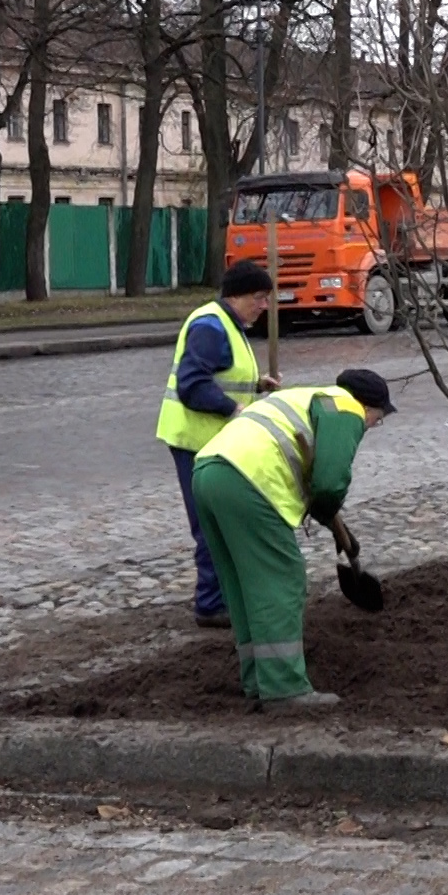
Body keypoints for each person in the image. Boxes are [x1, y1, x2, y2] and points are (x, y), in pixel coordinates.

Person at [190, 369, 395, 710]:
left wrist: (337, 529)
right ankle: (284, 688)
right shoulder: (345, 408)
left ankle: (258, 680)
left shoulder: (304, 397)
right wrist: (327, 510)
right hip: (249, 481)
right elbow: (328, 484)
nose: (373, 425)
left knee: (245, 584)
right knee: (281, 579)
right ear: (368, 407)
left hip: (210, 473)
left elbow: (314, 479)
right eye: (378, 418)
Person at [154, 260, 282, 628]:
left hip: (216, 443)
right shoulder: (210, 326)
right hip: (196, 442)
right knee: (211, 522)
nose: (264, 306)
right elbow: (193, 385)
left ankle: (221, 597)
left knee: (222, 519)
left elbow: (222, 375)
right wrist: (234, 408)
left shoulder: (228, 323)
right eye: (259, 298)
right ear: (236, 296)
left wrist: (258, 385)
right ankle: (211, 605)